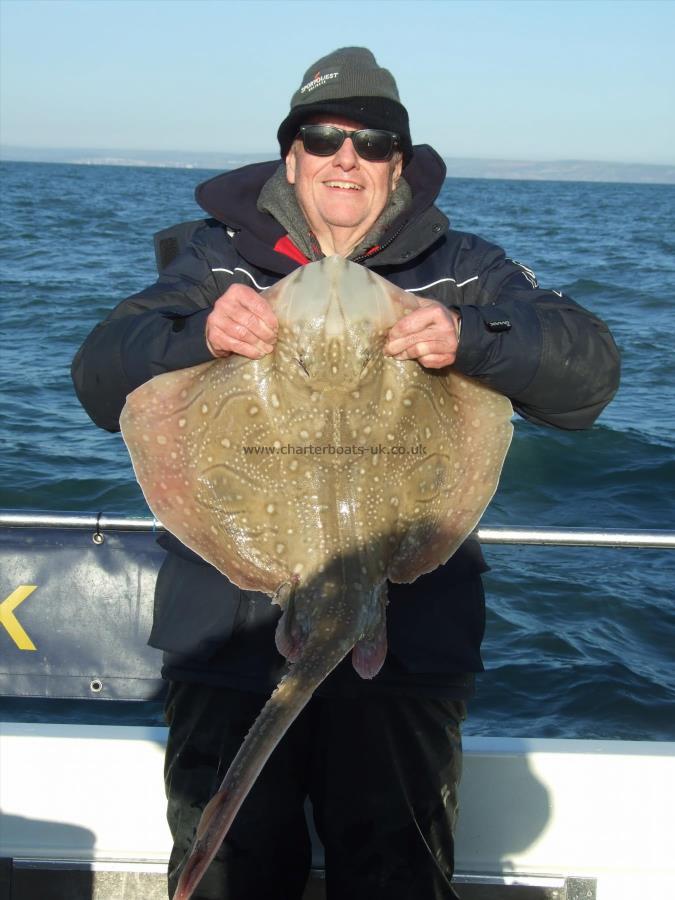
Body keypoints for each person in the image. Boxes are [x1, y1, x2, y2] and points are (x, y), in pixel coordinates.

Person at [72, 47, 620, 900]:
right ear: (290, 153)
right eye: (323, 138)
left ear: (396, 164)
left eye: (370, 143)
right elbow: (99, 378)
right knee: (232, 876)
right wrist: (199, 337)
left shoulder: (463, 269)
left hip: (410, 649)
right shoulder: (213, 263)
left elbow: (589, 380)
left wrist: (466, 337)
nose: (345, 158)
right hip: (230, 642)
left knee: (394, 878)